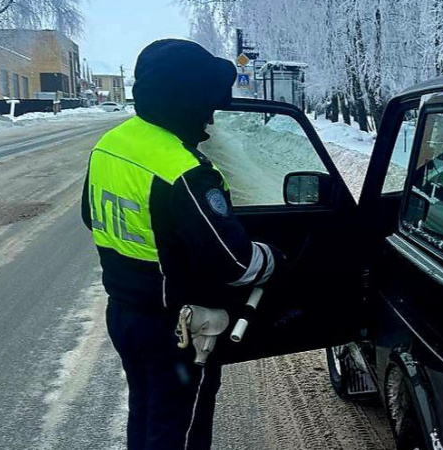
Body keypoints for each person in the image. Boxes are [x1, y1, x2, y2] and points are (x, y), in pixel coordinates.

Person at [81, 39, 283, 450]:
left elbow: (91, 215)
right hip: (176, 329)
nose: (211, 114)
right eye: (207, 101)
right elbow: (234, 262)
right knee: (181, 431)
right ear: (186, 101)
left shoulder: (112, 144)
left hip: (123, 315)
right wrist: (272, 257)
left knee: (147, 413)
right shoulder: (184, 171)